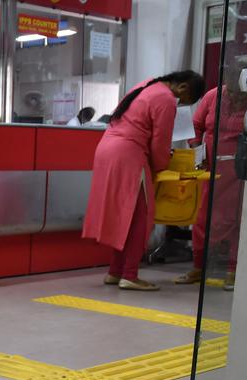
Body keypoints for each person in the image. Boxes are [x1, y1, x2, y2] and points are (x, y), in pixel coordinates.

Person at [82, 70, 205, 291]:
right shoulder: (166, 99)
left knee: (124, 215)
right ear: (183, 87)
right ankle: (130, 275)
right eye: (183, 101)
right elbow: (160, 141)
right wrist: (162, 168)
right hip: (128, 154)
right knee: (141, 216)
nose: (179, 104)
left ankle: (115, 271)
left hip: (107, 150)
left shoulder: (145, 85)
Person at [175, 79, 247, 290]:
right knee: (202, 218)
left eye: (240, 95)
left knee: (235, 220)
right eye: (232, 93)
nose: (236, 98)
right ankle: (198, 267)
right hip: (209, 169)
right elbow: (196, 126)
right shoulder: (213, 96)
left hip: (238, 170)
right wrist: (197, 150)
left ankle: (233, 270)